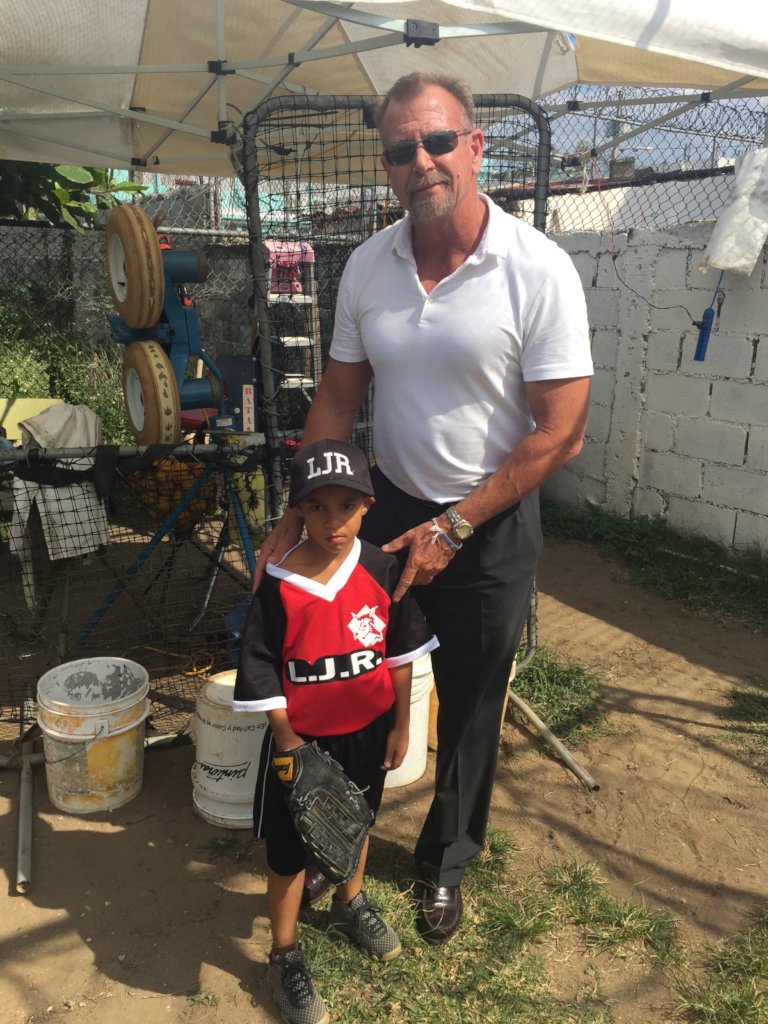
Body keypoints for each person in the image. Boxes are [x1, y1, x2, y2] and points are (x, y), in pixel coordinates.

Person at [255, 71, 593, 945]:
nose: (423, 161)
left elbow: (562, 432)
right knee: (359, 679)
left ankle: (444, 862)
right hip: (388, 508)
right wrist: (298, 510)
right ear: (387, 165)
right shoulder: (370, 265)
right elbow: (338, 396)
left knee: (472, 702)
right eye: (402, 149)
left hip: (489, 521)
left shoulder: (537, 268)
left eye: (439, 141)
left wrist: (455, 525)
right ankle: (338, 841)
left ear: (474, 147)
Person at [235, 438, 437, 1024]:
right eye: (316, 507)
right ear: (298, 509)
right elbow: (261, 664)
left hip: (368, 732)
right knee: (288, 850)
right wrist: (287, 740)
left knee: (355, 818)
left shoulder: (382, 569)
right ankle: (284, 953)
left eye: (346, 506)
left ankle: (350, 903)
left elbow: (399, 653)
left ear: (368, 504)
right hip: (302, 743)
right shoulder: (278, 580)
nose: (332, 521)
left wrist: (402, 723)